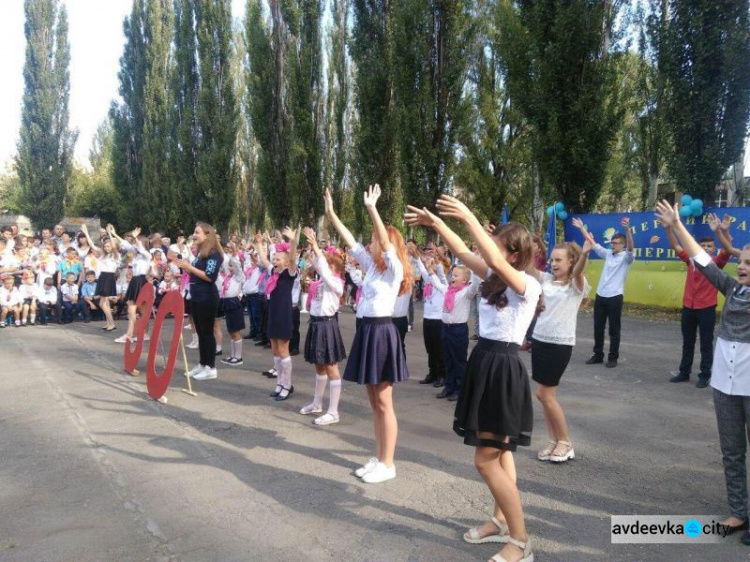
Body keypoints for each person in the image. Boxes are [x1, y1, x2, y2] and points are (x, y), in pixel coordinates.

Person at [405, 196, 540, 562]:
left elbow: (488, 256)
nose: (487, 250)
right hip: (485, 361)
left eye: (496, 246)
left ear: (513, 255)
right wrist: (436, 224)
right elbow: (464, 252)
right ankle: (499, 520)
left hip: (503, 368)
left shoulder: (526, 284)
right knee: (501, 453)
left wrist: (467, 214)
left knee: (485, 460)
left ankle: (522, 542)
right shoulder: (495, 279)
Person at [655, 200, 750, 547]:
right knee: (731, 450)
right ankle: (739, 511)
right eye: (741, 261)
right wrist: (678, 225)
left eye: (749, 263)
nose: (742, 266)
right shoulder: (733, 289)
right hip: (725, 384)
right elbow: (703, 261)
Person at [327, 185, 413, 484]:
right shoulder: (372, 268)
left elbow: (387, 245)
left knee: (384, 402)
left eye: (375, 240)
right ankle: (379, 457)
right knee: (374, 402)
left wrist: (372, 209)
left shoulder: (393, 269)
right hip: (366, 331)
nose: (370, 243)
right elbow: (350, 242)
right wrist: (332, 214)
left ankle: (388, 463)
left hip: (382, 332)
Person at [531, 220, 592, 464]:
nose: (554, 264)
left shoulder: (576, 286)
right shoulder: (545, 280)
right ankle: (553, 440)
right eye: (552, 260)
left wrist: (585, 253)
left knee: (546, 395)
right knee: (541, 394)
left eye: (559, 260)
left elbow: (578, 273)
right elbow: (525, 266)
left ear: (571, 262)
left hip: (559, 344)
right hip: (540, 341)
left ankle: (565, 442)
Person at [663, 213, 730, 388]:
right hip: (688, 307)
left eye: (710, 246)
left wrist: (720, 231)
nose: (706, 248)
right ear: (697, 248)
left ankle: (705, 375)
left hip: (707, 307)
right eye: (703, 246)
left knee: (706, 343)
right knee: (688, 341)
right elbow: (676, 245)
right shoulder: (691, 260)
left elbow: (727, 248)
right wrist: (668, 228)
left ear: (713, 249)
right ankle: (684, 372)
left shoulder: (716, 263)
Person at [299, 228, 347, 425]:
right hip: (317, 324)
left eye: (327, 264)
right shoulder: (321, 283)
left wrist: (318, 249)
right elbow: (319, 269)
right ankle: (317, 404)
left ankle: (333, 412)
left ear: (334, 268)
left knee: (331, 367)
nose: (322, 267)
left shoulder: (336, 283)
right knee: (319, 367)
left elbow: (324, 271)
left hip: (328, 326)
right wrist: (312, 247)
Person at [173, 222, 224, 381]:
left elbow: (209, 276)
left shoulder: (214, 254)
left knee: (207, 333)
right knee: (201, 333)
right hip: (196, 296)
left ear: (207, 235)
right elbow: (195, 273)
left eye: (197, 232)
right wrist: (184, 266)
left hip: (207, 297)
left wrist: (190, 267)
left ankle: (211, 367)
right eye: (194, 232)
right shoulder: (201, 253)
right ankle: (203, 364)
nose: (194, 235)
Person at [585, 217, 635, 368]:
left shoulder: (627, 257)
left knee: (614, 329)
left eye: (615, 243)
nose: (612, 245)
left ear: (623, 244)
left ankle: (613, 357)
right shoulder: (607, 254)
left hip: (615, 297)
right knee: (598, 327)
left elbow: (631, 248)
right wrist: (582, 228)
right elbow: (592, 244)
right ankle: (598, 355)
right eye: (611, 242)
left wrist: (627, 229)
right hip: (601, 295)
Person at [256, 229, 299, 400]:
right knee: (274, 347)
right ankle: (280, 383)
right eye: (274, 259)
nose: (274, 261)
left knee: (283, 349)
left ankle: (287, 385)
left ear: (287, 262)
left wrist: (293, 241)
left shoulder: (289, 274)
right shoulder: (272, 273)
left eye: (278, 259)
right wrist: (259, 244)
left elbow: (294, 257)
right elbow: (264, 259)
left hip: (283, 315)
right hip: (272, 313)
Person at [430, 264, 480, 401]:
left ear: (464, 280)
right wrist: (430, 270)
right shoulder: (448, 290)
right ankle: (449, 386)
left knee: (459, 361)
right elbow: (436, 282)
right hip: (445, 328)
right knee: (448, 359)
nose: (453, 277)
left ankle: (460, 389)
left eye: (456, 275)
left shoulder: (466, 293)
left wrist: (476, 267)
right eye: (452, 275)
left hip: (458, 330)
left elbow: (475, 284)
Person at [108, 226, 151, 343]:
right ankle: (130, 334)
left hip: (142, 282)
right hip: (135, 281)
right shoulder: (135, 254)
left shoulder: (147, 255)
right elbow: (126, 244)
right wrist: (114, 233)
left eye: (137, 242)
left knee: (143, 311)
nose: (135, 244)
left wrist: (136, 238)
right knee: (132, 310)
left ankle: (143, 334)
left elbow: (140, 248)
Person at [218, 248, 246, 367]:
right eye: (228, 266)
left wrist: (234, 256)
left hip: (234, 303)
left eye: (231, 266)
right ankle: (233, 355)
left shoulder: (238, 276)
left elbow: (237, 266)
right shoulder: (228, 277)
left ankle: (238, 357)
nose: (229, 268)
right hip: (227, 303)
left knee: (235, 331)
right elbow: (225, 262)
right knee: (231, 331)